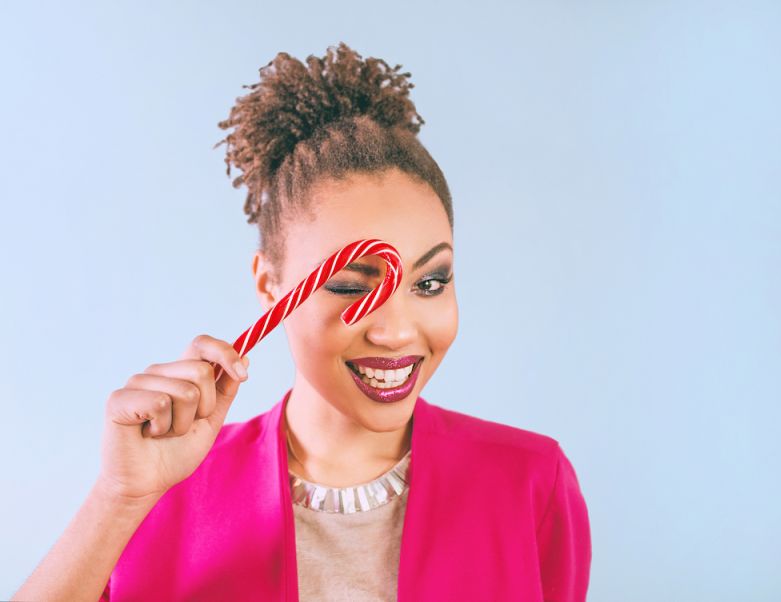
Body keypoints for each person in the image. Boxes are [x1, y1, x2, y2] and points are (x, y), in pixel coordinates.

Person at [13, 42, 592, 602]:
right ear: (270, 285)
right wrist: (119, 498)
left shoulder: (532, 485)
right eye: (347, 285)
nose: (395, 331)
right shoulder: (161, 493)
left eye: (429, 283)